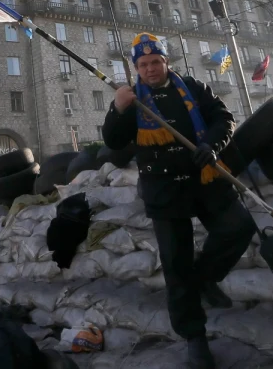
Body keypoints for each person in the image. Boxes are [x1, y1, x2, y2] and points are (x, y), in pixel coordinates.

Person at [102, 32, 256, 369]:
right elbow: (113, 141)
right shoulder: (133, 100)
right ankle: (194, 338)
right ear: (136, 68)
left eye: (156, 62)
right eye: (143, 64)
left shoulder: (193, 87)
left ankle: (205, 277)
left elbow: (223, 118)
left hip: (206, 178)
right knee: (176, 265)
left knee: (239, 228)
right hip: (164, 189)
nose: (151, 69)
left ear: (166, 62)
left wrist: (212, 146)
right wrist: (117, 108)